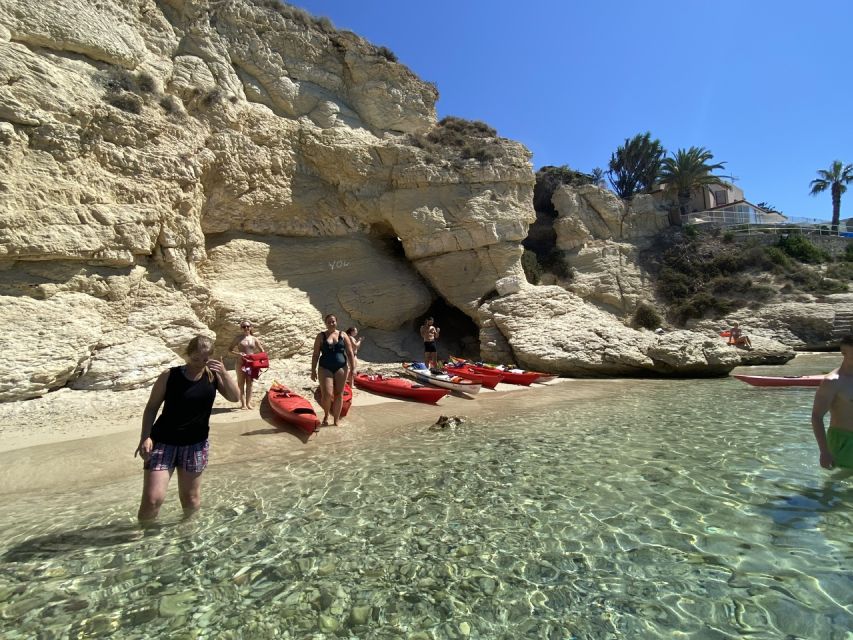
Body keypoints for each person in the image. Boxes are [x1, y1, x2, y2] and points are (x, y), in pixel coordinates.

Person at [135, 335, 239, 522]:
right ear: (187, 355)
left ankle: (188, 534)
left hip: (195, 445)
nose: (199, 363)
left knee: (191, 499)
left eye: (205, 359)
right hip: (163, 443)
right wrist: (145, 437)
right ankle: (143, 539)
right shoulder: (170, 375)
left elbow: (234, 397)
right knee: (152, 499)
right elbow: (151, 408)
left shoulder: (213, 376)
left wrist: (224, 373)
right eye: (195, 358)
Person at [810, 335, 853, 470]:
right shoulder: (833, 381)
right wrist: (824, 451)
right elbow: (816, 416)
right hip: (844, 442)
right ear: (844, 352)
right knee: (841, 486)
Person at [311, 314, 356, 426]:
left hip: (341, 367)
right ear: (325, 323)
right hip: (325, 367)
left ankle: (336, 420)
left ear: (337, 322)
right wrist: (313, 370)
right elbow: (316, 354)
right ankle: (326, 415)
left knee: (339, 394)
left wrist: (353, 369)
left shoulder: (343, 335)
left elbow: (350, 353)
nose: (331, 324)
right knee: (326, 394)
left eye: (333, 321)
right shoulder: (320, 336)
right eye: (329, 322)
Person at [228, 320, 266, 410]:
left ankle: (248, 404)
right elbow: (230, 350)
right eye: (244, 326)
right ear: (241, 328)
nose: (246, 328)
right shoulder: (238, 338)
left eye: (248, 326)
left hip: (251, 363)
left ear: (250, 327)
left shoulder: (254, 339)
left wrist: (259, 361)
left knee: (250, 383)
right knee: (241, 383)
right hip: (240, 363)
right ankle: (243, 404)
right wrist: (238, 354)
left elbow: (262, 350)